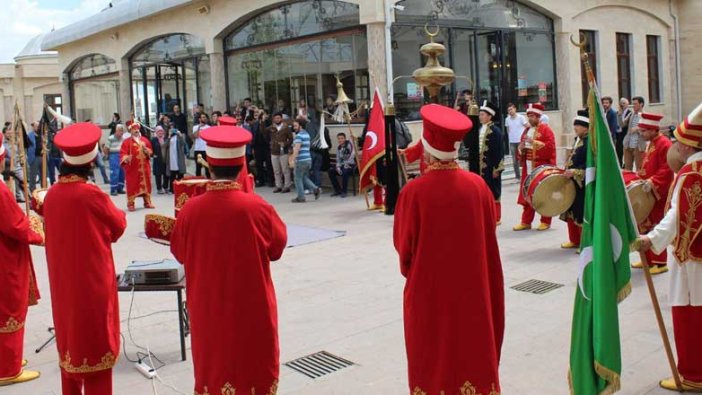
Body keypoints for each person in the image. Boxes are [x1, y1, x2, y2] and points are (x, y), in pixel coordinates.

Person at [394, 104, 504, 395]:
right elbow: (488, 233)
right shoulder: (479, 186)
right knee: (471, 350)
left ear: (427, 148)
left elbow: (404, 253)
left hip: (430, 294)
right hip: (474, 291)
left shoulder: (413, 193)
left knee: (433, 355)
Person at [170, 125, 287, 395]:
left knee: (215, 369)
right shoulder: (258, 208)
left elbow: (179, 252)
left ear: (209, 165)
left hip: (208, 308)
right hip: (252, 307)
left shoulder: (189, 210)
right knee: (254, 370)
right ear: (241, 166)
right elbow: (277, 248)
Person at [44, 122, 127, 395]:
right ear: (91, 162)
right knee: (95, 348)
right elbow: (118, 226)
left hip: (62, 283)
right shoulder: (91, 194)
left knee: (70, 345)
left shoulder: (52, 195)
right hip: (92, 281)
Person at [636, 101, 702, 392]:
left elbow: (678, 216)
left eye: (679, 141)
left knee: (689, 315)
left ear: (688, 146)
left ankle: (693, 374)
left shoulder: (691, 175)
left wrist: (651, 240)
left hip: (692, 261)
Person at [0, 132, 42, 386]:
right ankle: (8, 368)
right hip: (5, 257)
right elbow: (14, 226)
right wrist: (38, 232)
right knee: (9, 309)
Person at [631, 112, 673, 274]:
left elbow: (667, 168)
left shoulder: (664, 143)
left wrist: (653, 181)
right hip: (647, 190)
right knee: (645, 225)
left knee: (656, 226)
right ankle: (647, 260)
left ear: (653, 130)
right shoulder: (653, 142)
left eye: (644, 131)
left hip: (658, 192)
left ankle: (660, 262)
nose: (641, 134)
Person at [514, 102, 556, 231]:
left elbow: (550, 148)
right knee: (527, 193)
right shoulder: (526, 130)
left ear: (538, 117)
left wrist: (534, 142)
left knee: (543, 194)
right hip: (528, 168)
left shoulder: (546, 129)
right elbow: (522, 148)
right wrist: (520, 149)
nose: (530, 118)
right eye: (529, 116)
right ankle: (526, 221)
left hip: (541, 168)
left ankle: (546, 220)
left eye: (532, 116)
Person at [560, 110, 589, 249]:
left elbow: (590, 165)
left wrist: (576, 172)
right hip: (571, 181)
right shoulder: (578, 139)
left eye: (577, 125)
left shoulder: (590, 142)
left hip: (582, 182)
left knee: (580, 211)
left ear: (585, 127)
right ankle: (574, 239)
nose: (575, 128)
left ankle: (584, 243)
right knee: (570, 210)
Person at [478, 101, 505, 224]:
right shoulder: (479, 129)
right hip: (481, 166)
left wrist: (497, 168)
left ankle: (497, 216)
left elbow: (499, 151)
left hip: (491, 167)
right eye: (480, 114)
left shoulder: (496, 131)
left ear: (489, 116)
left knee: (494, 190)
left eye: (482, 114)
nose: (480, 116)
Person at [120, 122, 154, 211]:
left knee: (146, 184)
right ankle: (131, 203)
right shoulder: (127, 142)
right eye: (134, 129)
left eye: (137, 129)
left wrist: (147, 151)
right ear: (130, 131)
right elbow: (123, 153)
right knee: (132, 184)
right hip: (133, 168)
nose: (136, 131)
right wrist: (127, 158)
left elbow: (150, 151)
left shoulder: (145, 140)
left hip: (144, 167)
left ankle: (147, 202)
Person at [289, 118, 321, 203]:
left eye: (295, 126)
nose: (294, 127)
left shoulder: (299, 136)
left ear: (301, 126)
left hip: (301, 160)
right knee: (303, 177)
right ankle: (315, 189)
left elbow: (297, 149)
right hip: (308, 159)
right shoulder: (307, 134)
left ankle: (301, 197)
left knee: (297, 178)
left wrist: (292, 159)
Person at [268, 113, 293, 193]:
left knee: (285, 169)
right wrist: (262, 121)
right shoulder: (272, 127)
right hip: (274, 151)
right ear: (273, 119)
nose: (277, 120)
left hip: (283, 152)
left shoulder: (286, 128)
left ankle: (287, 186)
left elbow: (291, 139)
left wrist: (285, 144)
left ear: (281, 118)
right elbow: (263, 131)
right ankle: (278, 185)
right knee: (276, 170)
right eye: (275, 118)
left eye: (278, 118)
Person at [623, 96, 646, 171]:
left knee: (639, 168)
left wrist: (638, 128)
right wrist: (620, 114)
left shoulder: (645, 116)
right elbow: (622, 124)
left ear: (641, 104)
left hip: (638, 146)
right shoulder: (631, 114)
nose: (633, 106)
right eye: (633, 104)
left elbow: (648, 129)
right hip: (628, 145)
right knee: (627, 168)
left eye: (635, 104)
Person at [329, 132, 355, 197]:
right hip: (342, 165)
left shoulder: (349, 145)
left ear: (345, 139)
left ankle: (344, 191)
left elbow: (352, 155)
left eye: (342, 138)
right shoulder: (339, 148)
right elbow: (338, 159)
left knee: (345, 171)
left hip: (350, 165)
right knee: (330, 171)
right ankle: (338, 190)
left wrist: (346, 164)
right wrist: (338, 166)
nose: (340, 140)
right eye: (339, 139)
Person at [505, 103, 526, 180]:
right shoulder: (507, 119)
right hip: (512, 142)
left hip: (520, 141)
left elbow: (526, 126)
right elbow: (508, 130)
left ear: (515, 109)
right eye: (508, 110)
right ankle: (517, 177)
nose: (510, 111)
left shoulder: (521, 117)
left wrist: (524, 138)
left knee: (523, 158)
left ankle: (525, 176)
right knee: (514, 160)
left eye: (511, 109)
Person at [105, 124, 126, 196]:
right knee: (114, 172)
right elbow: (106, 148)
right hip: (113, 155)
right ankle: (113, 189)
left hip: (121, 155)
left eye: (122, 131)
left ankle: (120, 188)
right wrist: (107, 156)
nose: (121, 133)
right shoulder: (111, 138)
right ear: (116, 131)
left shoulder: (123, 138)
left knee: (122, 172)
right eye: (120, 131)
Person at [165, 125, 187, 193]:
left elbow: (183, 143)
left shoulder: (178, 137)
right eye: (170, 129)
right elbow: (165, 145)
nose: (172, 131)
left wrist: (180, 135)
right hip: (171, 159)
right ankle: (172, 189)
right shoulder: (168, 138)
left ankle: (181, 188)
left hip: (178, 158)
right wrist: (169, 136)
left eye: (173, 129)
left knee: (180, 174)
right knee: (172, 175)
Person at [191, 113, 211, 178]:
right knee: (198, 168)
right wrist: (199, 127)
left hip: (206, 150)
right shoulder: (195, 127)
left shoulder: (209, 127)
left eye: (204, 117)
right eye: (202, 117)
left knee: (207, 168)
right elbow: (195, 136)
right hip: (198, 150)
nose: (203, 119)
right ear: (199, 119)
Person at [150, 125, 168, 194]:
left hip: (165, 159)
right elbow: (150, 148)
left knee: (166, 174)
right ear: (156, 132)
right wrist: (152, 155)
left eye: (161, 131)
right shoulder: (154, 140)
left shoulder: (165, 139)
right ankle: (159, 188)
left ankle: (165, 187)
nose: (160, 133)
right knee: (158, 174)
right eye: (159, 131)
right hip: (157, 160)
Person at [616, 98, 632, 166]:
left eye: (624, 103)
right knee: (619, 149)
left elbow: (624, 124)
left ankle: (626, 164)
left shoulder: (630, 113)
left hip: (625, 133)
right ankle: (619, 164)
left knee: (625, 150)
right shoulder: (618, 112)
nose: (622, 105)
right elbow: (618, 123)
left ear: (627, 104)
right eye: (621, 103)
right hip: (618, 134)